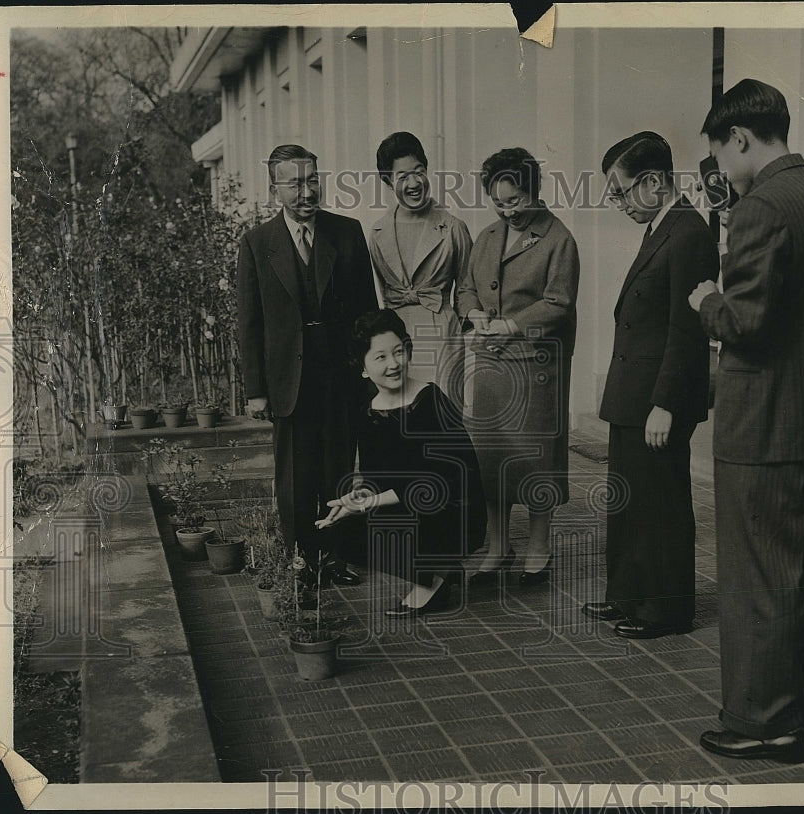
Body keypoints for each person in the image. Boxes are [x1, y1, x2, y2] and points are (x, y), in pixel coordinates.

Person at [688, 79, 804, 763]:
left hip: (760, 423)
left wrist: (706, 299)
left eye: (720, 153)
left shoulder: (763, 208)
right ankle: (792, 714)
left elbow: (747, 324)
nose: (722, 170)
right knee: (798, 574)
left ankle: (763, 722)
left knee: (757, 578)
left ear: (739, 137)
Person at [585, 132, 719, 639]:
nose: (616, 204)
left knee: (659, 503)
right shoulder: (663, 227)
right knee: (629, 500)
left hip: (657, 399)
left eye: (620, 192)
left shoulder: (688, 234)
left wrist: (664, 403)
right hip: (633, 393)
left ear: (656, 182)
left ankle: (664, 611)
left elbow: (686, 331)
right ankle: (627, 596)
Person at [237, 144, 377, 586]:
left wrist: (368, 372)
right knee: (295, 475)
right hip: (287, 380)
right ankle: (302, 559)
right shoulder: (258, 243)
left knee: (339, 466)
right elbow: (250, 322)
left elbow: (365, 313)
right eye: (295, 183)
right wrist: (255, 389)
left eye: (312, 179)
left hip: (339, 375)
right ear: (275, 188)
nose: (306, 191)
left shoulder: (347, 233)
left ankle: (336, 556)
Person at [456, 147, 580, 587]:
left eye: (514, 200)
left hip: (534, 364)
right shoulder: (487, 235)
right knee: (491, 458)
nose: (506, 210)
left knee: (534, 458)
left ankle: (539, 546)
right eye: (498, 201)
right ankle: (496, 546)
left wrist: (511, 324)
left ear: (534, 191)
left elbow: (558, 303)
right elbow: (466, 287)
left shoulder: (558, 238)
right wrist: (473, 314)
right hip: (490, 362)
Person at [316, 309, 486, 616]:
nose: (393, 364)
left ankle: (432, 584)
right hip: (411, 506)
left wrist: (371, 503)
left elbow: (441, 481)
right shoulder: (369, 412)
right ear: (363, 367)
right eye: (380, 357)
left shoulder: (430, 401)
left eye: (398, 352)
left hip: (452, 510)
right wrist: (355, 499)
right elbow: (377, 479)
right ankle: (440, 572)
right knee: (342, 532)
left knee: (388, 522)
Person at [369, 132, 473, 403]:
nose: (414, 183)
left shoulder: (452, 227)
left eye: (420, 171)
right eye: (402, 176)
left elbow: (468, 291)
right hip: (395, 340)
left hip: (443, 337)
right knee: (400, 417)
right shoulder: (377, 233)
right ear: (388, 182)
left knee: (442, 418)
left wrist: (461, 340)